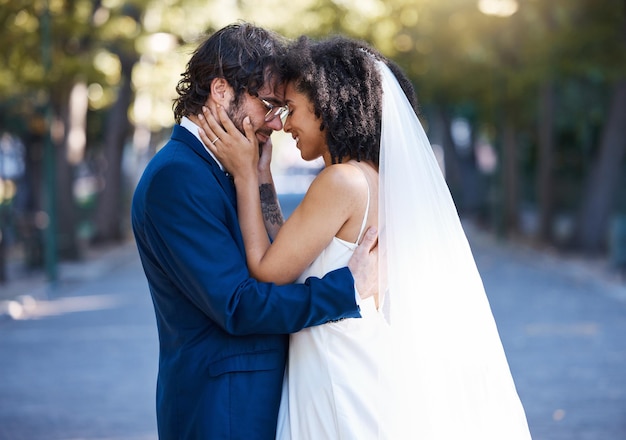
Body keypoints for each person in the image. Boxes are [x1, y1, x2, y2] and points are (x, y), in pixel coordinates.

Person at [198, 35, 532, 439]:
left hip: (336, 373)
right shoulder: (372, 179)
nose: (284, 125)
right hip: (352, 360)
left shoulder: (340, 181)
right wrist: (266, 176)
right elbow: (292, 249)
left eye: (292, 109)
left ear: (327, 106)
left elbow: (269, 273)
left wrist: (246, 175)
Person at [130, 23, 378, 440]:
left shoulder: (226, 166)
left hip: (260, 402)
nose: (276, 124)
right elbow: (238, 305)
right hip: (224, 409)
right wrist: (346, 289)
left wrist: (258, 177)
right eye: (267, 104)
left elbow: (277, 254)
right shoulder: (177, 177)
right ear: (222, 90)